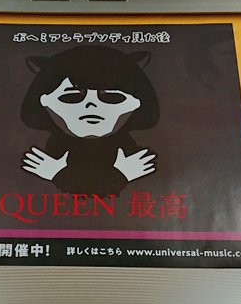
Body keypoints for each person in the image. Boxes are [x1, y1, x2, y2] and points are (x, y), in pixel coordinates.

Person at [20, 45, 159, 195]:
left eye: (111, 97)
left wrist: (56, 174)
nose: (91, 105)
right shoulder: (57, 145)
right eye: (72, 96)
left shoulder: (125, 146)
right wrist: (123, 175)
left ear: (137, 103)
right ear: (44, 101)